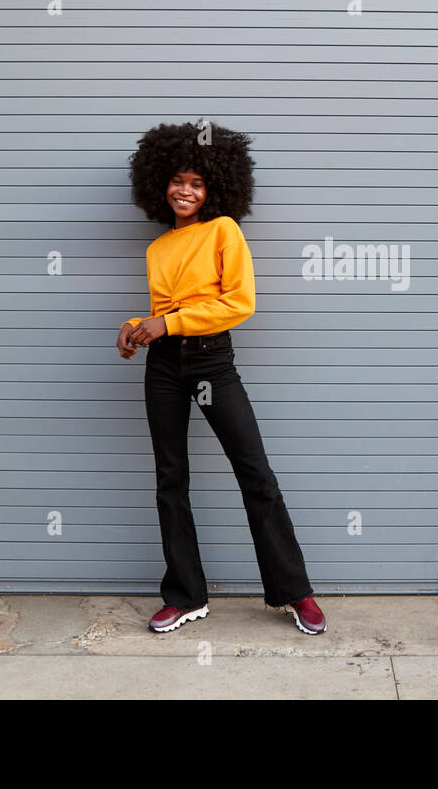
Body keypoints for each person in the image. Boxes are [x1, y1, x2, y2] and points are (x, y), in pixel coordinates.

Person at [116, 121, 326, 635]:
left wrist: (169, 322)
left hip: (211, 362)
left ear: (214, 187)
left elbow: (238, 303)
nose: (184, 190)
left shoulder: (224, 230)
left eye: (196, 182)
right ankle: (185, 595)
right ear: (159, 184)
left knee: (255, 473)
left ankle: (294, 592)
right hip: (163, 365)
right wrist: (133, 328)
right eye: (177, 180)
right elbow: (163, 310)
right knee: (171, 479)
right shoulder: (158, 248)